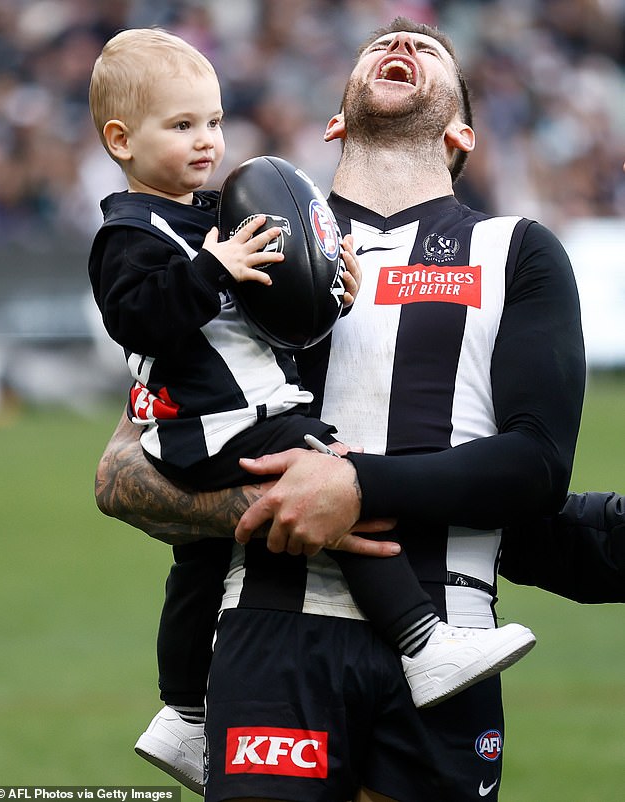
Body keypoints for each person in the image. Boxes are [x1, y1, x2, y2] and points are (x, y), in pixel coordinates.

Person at [93, 18, 586, 802]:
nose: (402, 47)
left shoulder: (517, 249)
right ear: (337, 120)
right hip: (267, 628)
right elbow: (125, 468)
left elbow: (539, 466)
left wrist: (356, 489)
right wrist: (262, 501)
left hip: (450, 635)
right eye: (379, 46)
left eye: (428, 49)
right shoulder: (244, 242)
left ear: (462, 130)